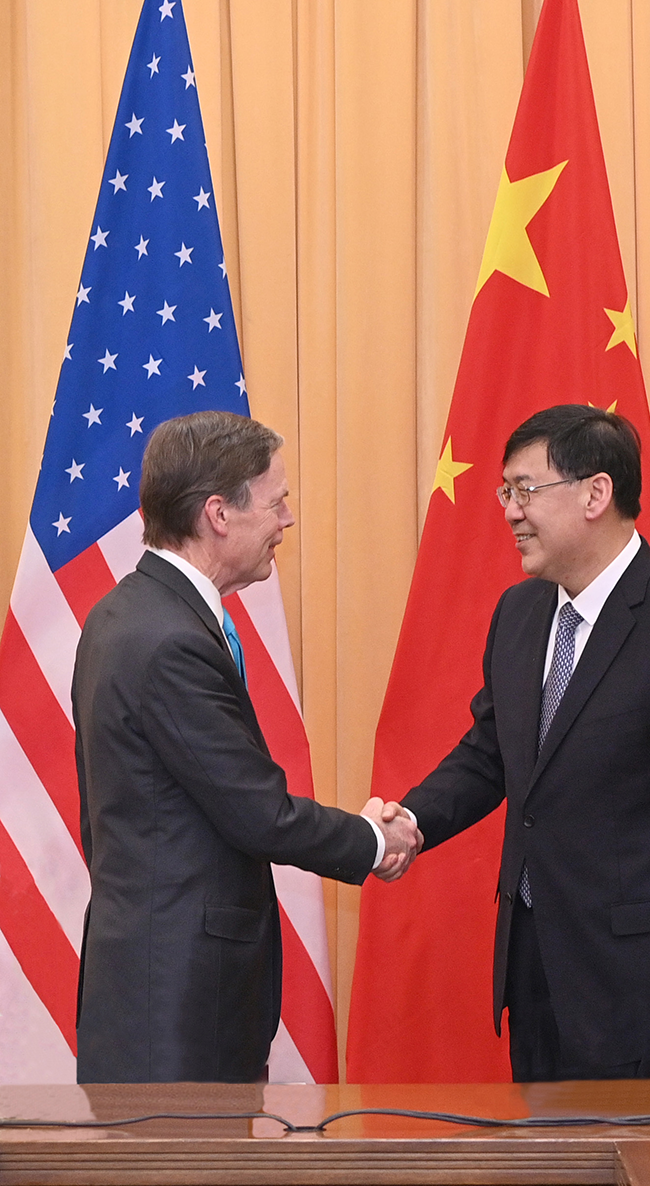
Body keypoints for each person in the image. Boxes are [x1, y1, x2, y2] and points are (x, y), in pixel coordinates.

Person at [393, 404, 650, 1082]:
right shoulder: (519, 613)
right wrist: (410, 821)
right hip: (536, 975)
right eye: (505, 492)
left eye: (525, 489)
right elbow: (491, 753)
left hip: (648, 992)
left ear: (596, 493)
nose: (510, 511)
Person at [72, 410, 419, 1084]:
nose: (286, 520)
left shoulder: (127, 614)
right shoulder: (168, 641)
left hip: (158, 990)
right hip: (175, 1008)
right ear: (218, 514)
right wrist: (374, 840)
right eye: (275, 501)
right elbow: (259, 814)